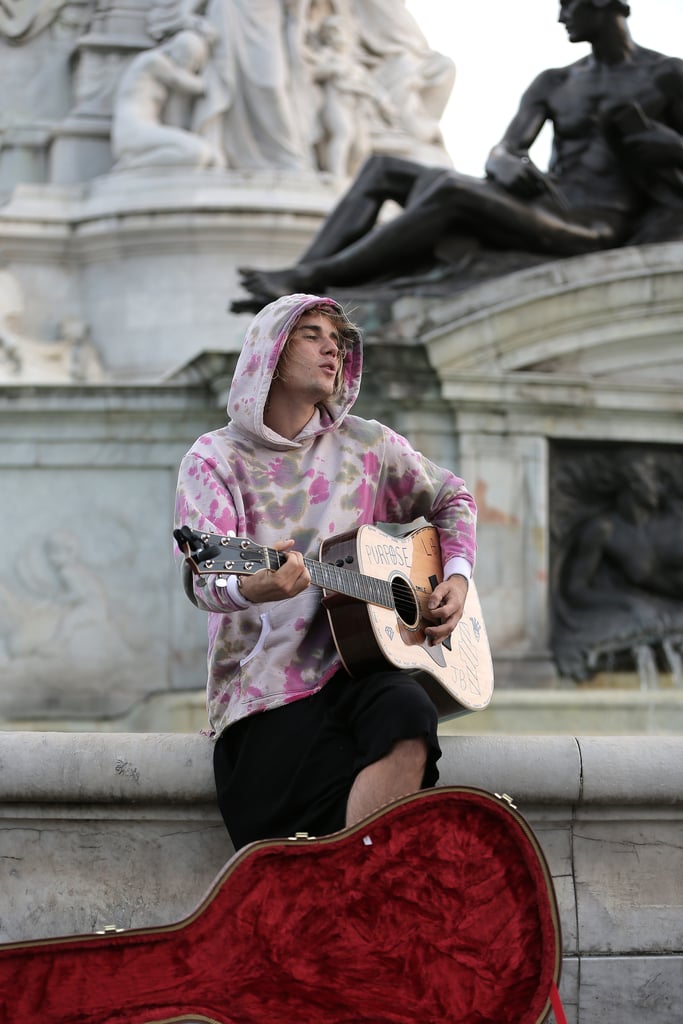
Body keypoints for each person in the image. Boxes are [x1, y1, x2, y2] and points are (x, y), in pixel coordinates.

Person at [174, 293, 477, 850]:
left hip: (358, 674)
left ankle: (355, 877)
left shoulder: (369, 445)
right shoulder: (214, 459)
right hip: (264, 691)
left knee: (409, 709)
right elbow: (204, 576)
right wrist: (251, 587)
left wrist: (454, 578)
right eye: (311, 334)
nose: (331, 347)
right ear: (269, 351)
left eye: (337, 339)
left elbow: (452, 499)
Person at [237, 0, 683, 304]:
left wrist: (664, 145)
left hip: (595, 222)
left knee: (449, 188)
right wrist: (505, 162)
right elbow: (506, 147)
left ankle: (314, 278)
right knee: (382, 168)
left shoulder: (665, 76)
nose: (561, 16)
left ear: (606, 5)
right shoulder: (555, 81)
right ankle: (302, 278)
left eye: (570, 5)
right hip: (547, 199)